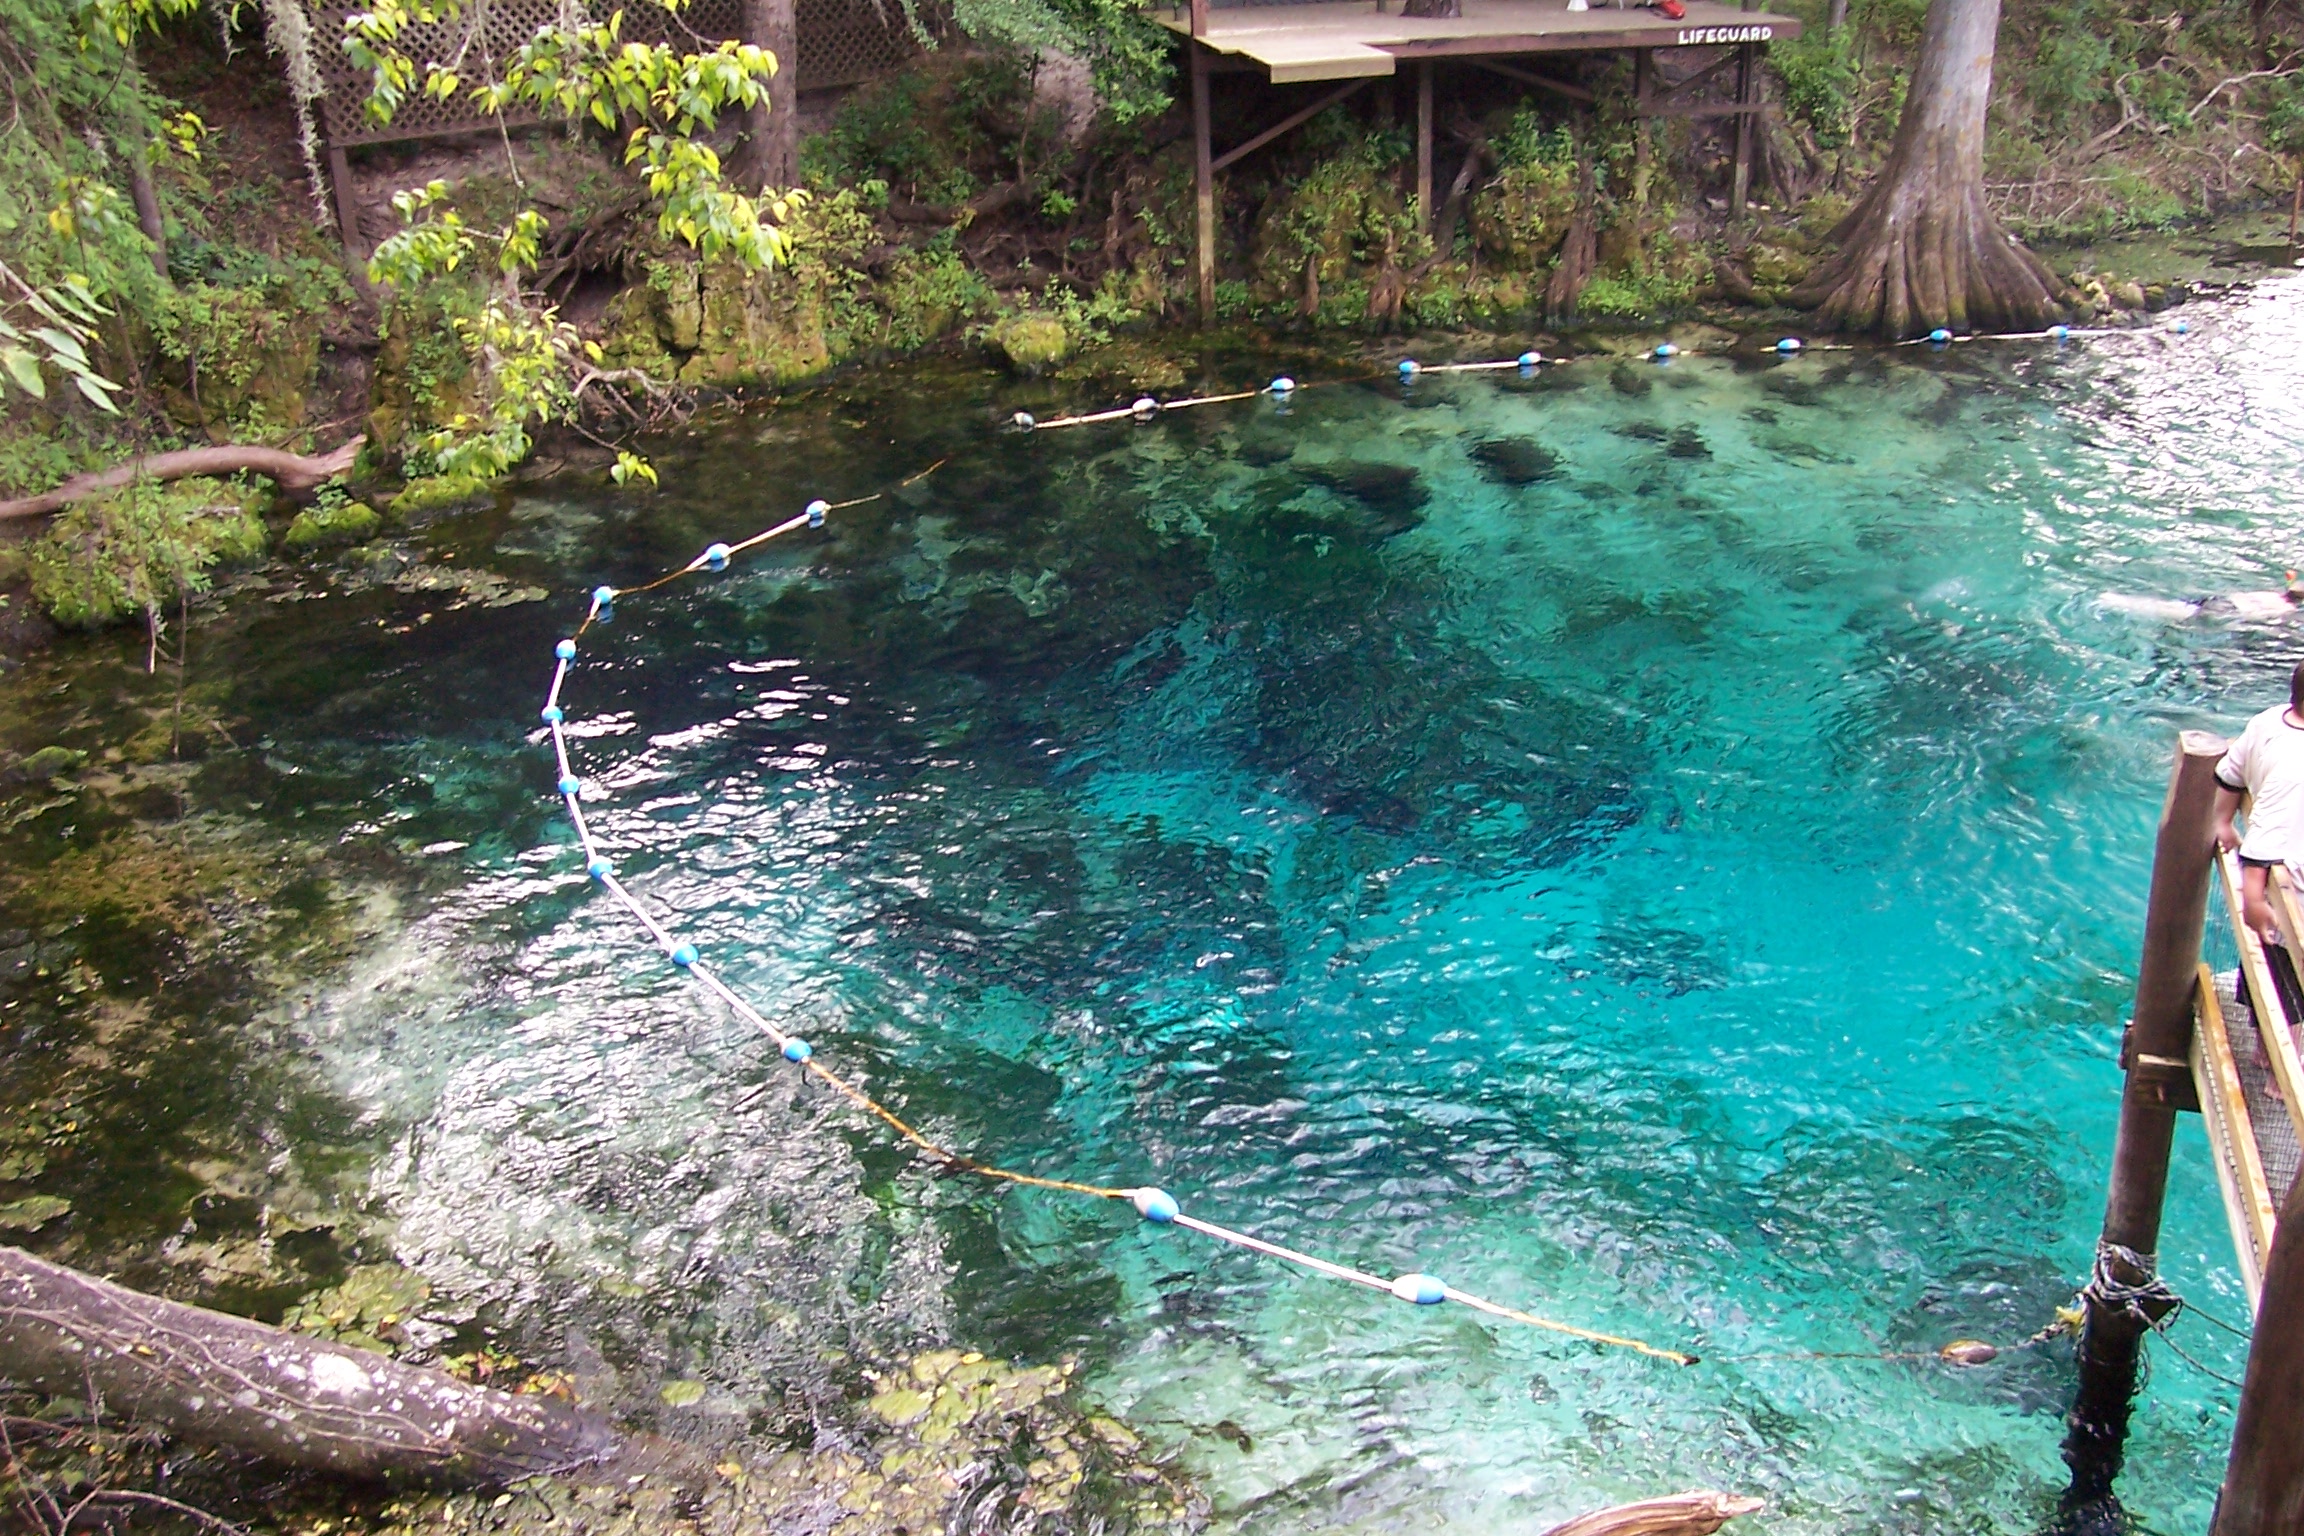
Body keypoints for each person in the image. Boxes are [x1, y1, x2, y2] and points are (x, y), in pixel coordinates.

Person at [2214, 661, 2304, 955]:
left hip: (2278, 896)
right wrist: (2253, 901)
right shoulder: (2297, 767)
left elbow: (2231, 772)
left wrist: (2223, 821)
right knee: (2286, 990)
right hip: (2291, 910)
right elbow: (2267, 832)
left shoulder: (2270, 720)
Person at [2098, 572, 2303, 624]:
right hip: (2227, 611)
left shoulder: (2269, 594)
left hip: (2218, 600)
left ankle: (2112, 600)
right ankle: (2114, 604)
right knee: (2177, 618)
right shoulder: (2288, 611)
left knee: (2174, 608)